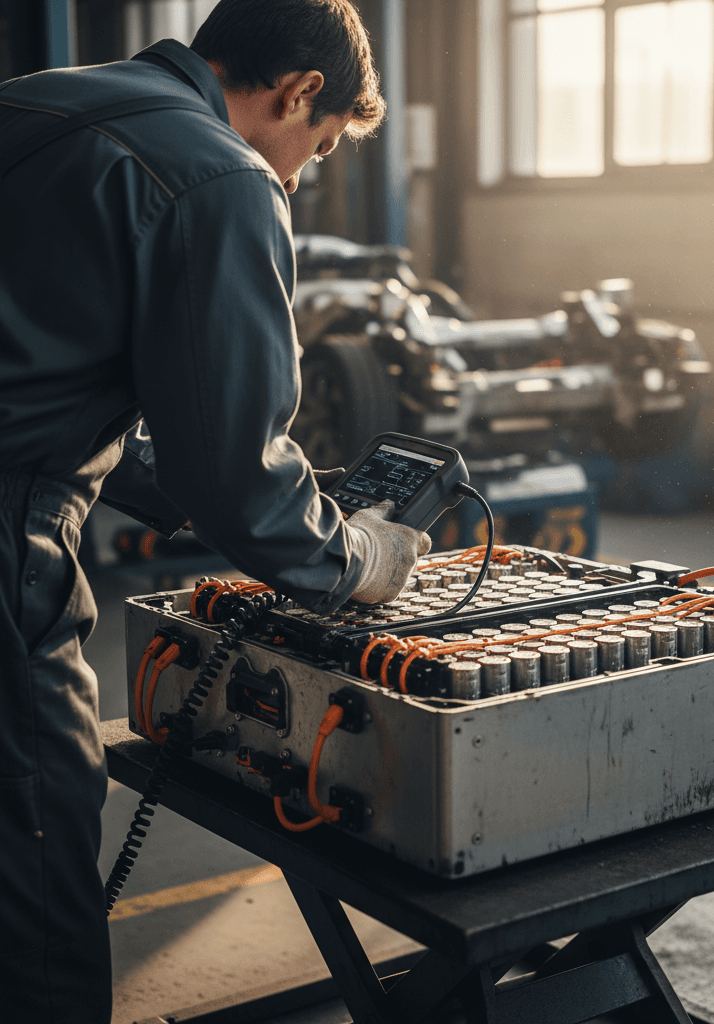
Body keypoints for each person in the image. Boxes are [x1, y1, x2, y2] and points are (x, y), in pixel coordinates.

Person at [0, 2, 428, 1020]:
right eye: (314, 150)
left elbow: (59, 391)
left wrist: (237, 483)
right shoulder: (220, 175)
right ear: (298, 93)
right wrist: (350, 553)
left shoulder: (39, 102)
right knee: (35, 829)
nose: (295, 175)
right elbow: (235, 476)